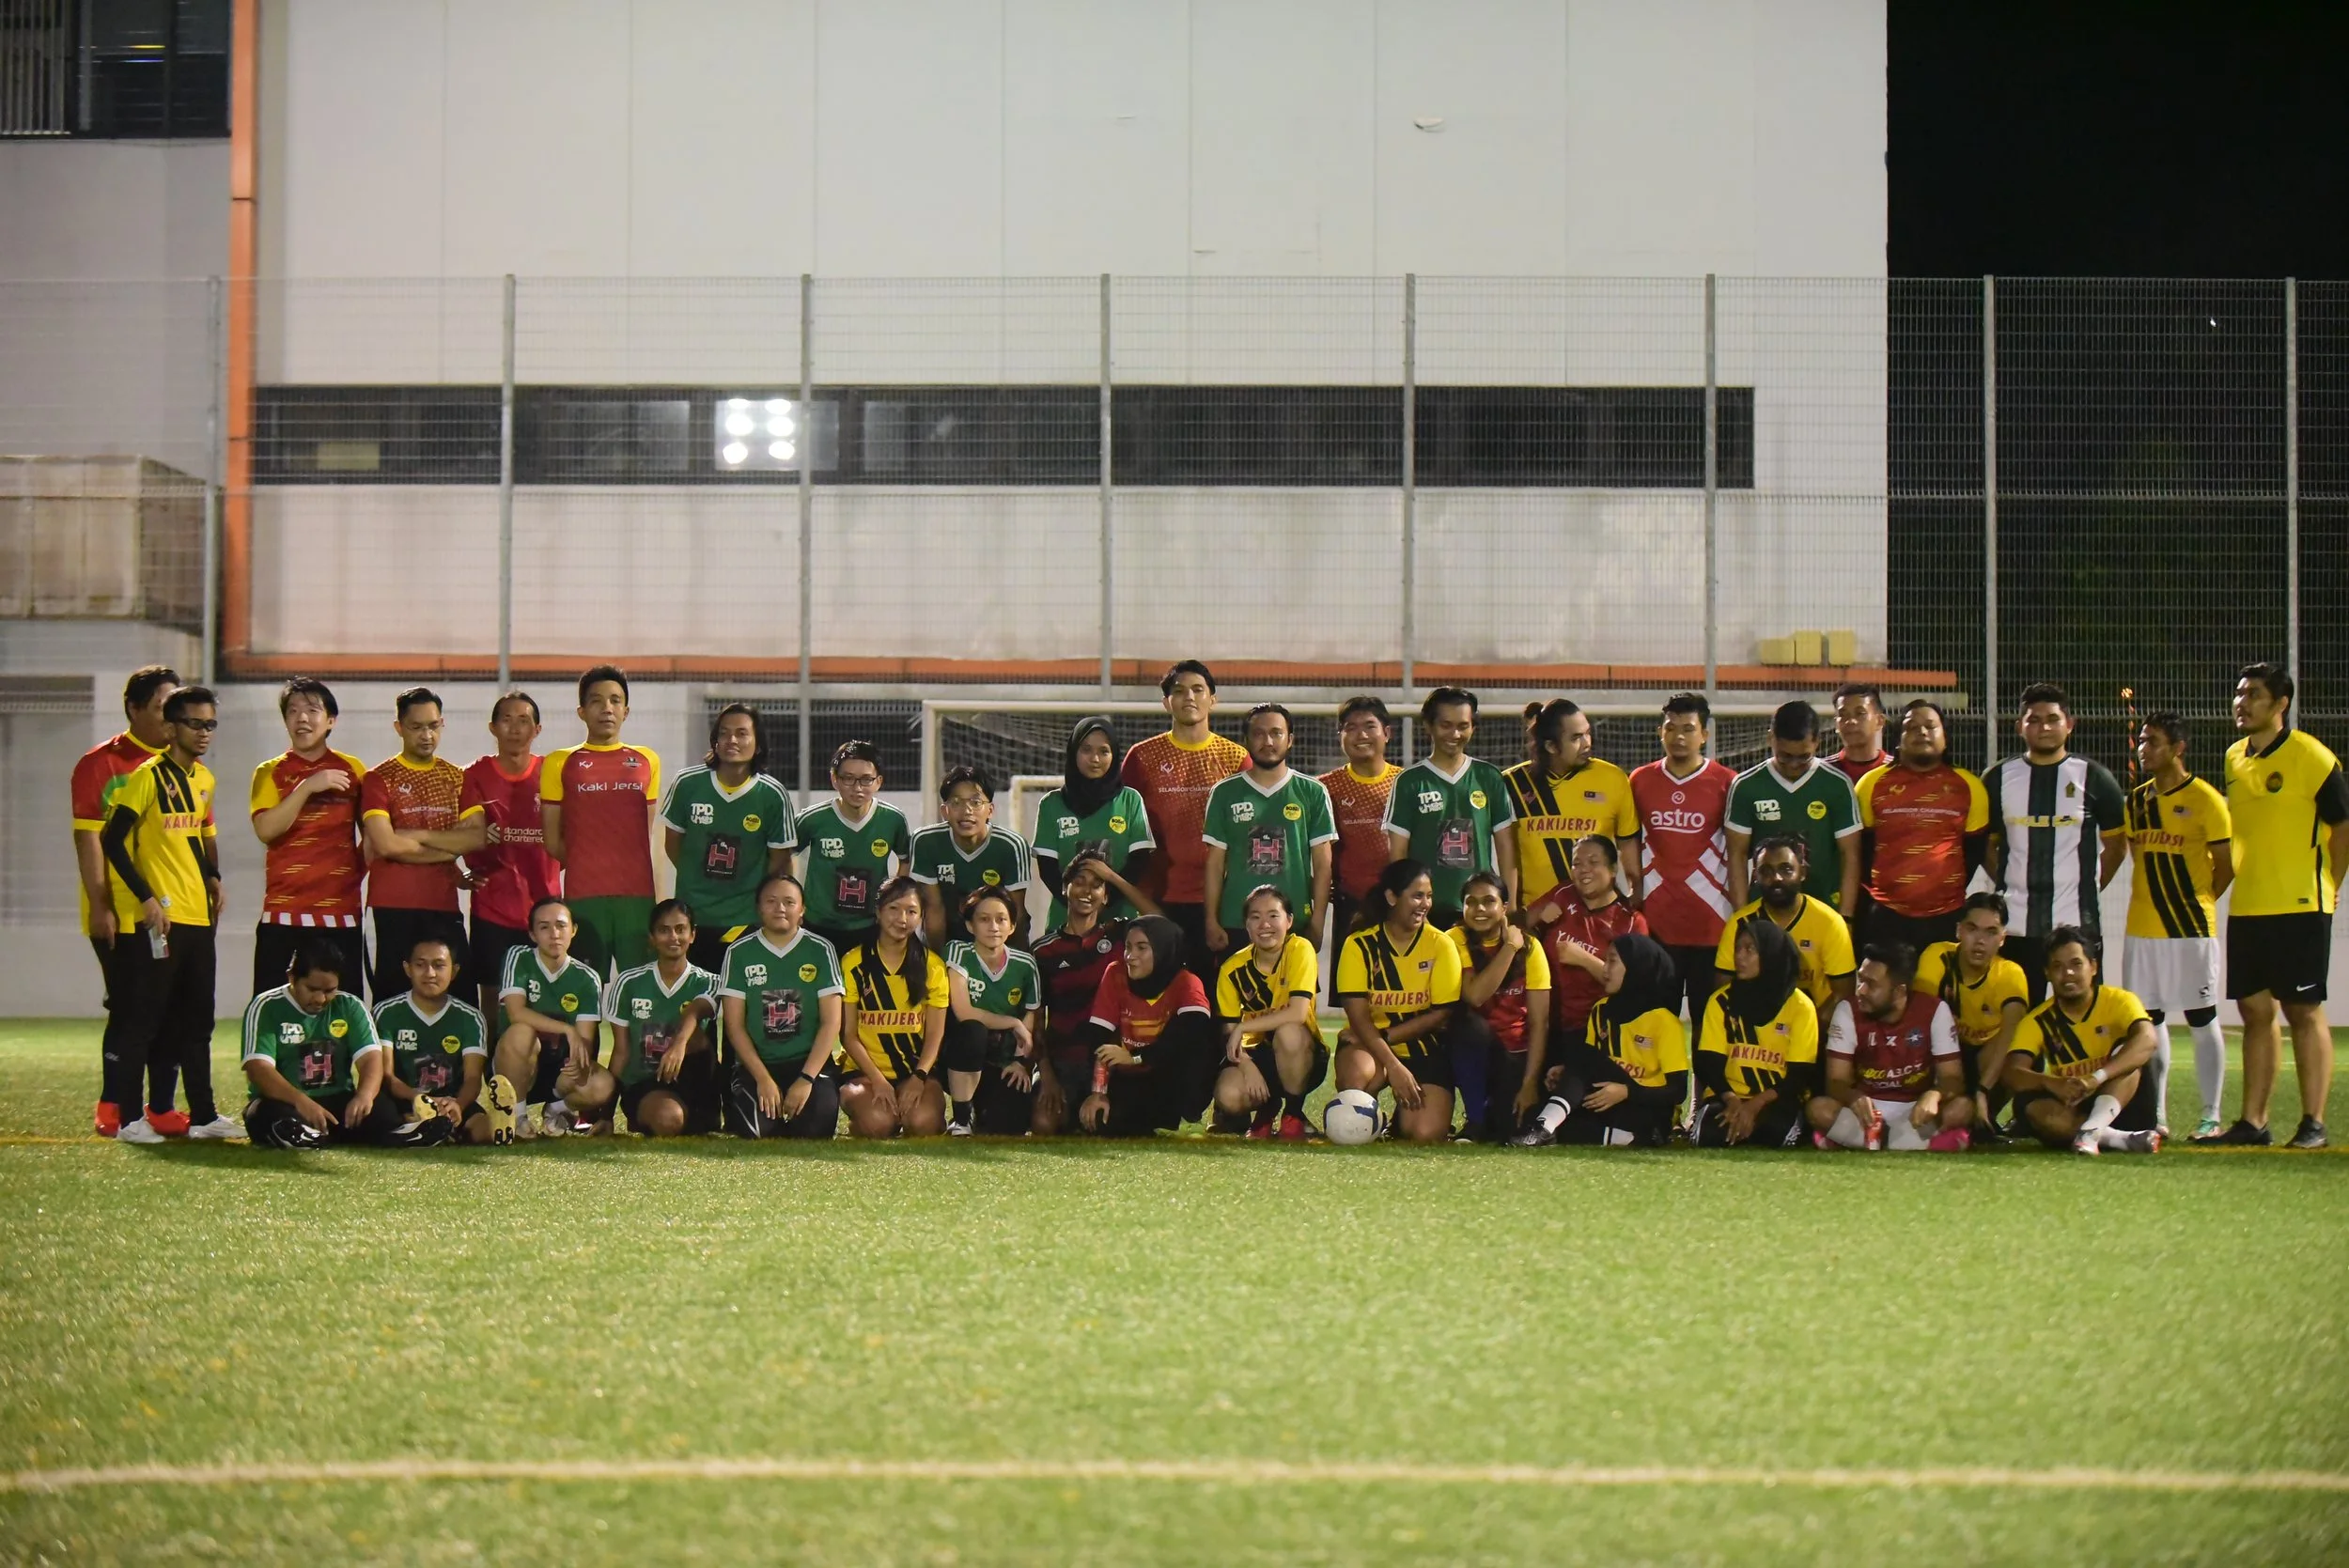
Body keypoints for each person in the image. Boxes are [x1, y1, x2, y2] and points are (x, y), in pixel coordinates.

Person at [2207, 662, 2348, 1148]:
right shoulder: (2233, 757)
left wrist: (2330, 885)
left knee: (2302, 1009)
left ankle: (2313, 1123)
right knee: (2253, 1011)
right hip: (2249, 905)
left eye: (2254, 694)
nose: (2241, 702)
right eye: (2239, 693)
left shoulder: (2313, 756)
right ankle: (2253, 1123)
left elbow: (2343, 828)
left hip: (2300, 903)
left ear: (2281, 703)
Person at [97, 685, 237, 1143]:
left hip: (198, 919)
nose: (204, 733)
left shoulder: (203, 779)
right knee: (144, 1020)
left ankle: (204, 1115)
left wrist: (212, 877)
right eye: (195, 724)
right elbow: (111, 840)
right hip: (162, 921)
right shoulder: (146, 777)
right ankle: (129, 1120)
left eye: (210, 724)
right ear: (171, 728)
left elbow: (193, 837)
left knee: (197, 1021)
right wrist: (146, 898)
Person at [70, 664, 181, 1135]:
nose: (171, 717)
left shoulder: (184, 765)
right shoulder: (101, 763)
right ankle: (113, 1105)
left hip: (172, 909)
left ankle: (162, 1107)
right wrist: (101, 905)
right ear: (133, 709)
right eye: (161, 707)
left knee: (170, 1008)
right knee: (130, 1008)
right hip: (121, 910)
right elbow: (89, 838)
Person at [2118, 712, 2232, 1139]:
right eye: (2142, 741)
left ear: (2178, 748)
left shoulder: (2206, 799)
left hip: (2191, 929)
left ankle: (2210, 1116)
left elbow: (2226, 865)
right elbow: (2138, 856)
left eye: (2153, 741)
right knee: (2149, 1021)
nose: (2143, 749)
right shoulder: (2136, 801)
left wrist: (2197, 902)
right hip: (2143, 929)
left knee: (2202, 1017)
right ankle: (2157, 1114)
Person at [1983, 683, 2127, 1003]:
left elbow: (2117, 847)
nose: (2044, 727)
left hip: (2077, 926)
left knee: (2084, 1015)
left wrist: (2085, 886)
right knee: (2017, 1015)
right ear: (2019, 726)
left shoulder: (2095, 778)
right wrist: (2010, 883)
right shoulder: (1997, 778)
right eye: (2034, 720)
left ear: (2069, 724)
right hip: (2016, 927)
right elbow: (1986, 848)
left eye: (2052, 719)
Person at [241, 941, 452, 1149]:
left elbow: (371, 1059)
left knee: (379, 1105)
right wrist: (301, 1102)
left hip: (338, 1101)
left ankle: (402, 1135)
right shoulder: (266, 1006)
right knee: (263, 1113)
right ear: (291, 977)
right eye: (312, 989)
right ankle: (303, 1134)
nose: (320, 998)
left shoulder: (350, 1006)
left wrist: (364, 1096)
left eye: (329, 990)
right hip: (287, 1101)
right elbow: (258, 1068)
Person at [1120, 660, 1250, 977]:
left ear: (1213, 699)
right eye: (1178, 691)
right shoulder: (1142, 756)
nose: (1189, 697)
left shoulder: (1236, 758)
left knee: (1217, 995)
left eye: (1198, 689)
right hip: (1158, 900)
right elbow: (1123, 824)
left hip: (1222, 902)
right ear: (1166, 702)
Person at [359, 687, 482, 1007]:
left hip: (443, 904)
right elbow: (386, 844)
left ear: (442, 724)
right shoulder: (378, 778)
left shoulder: (457, 777)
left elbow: (475, 837)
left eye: (433, 726)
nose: (427, 735)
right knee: (391, 1001)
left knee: (461, 999)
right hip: (393, 905)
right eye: (416, 727)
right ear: (399, 727)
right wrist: (448, 850)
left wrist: (417, 835)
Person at [541, 665, 662, 984]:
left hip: (637, 897)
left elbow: (644, 831)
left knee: (641, 989)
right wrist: (588, 862)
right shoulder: (559, 762)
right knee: (584, 991)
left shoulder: (647, 760)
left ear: (626, 711)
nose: (607, 708)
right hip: (584, 897)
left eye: (615, 700)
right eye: (596, 701)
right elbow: (552, 841)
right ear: (581, 711)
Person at [248, 675, 367, 997]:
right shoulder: (269, 771)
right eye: (293, 711)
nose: (301, 718)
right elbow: (266, 830)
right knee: (272, 1004)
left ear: (330, 721)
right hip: (283, 911)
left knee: (343, 1006)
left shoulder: (353, 769)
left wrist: (350, 873)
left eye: (312, 710)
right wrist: (307, 787)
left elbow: (372, 837)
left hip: (340, 914)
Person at [1331, 859, 1465, 1144]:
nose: (1425, 904)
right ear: (1392, 897)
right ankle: (1371, 1114)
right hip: (1367, 1044)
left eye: (1429, 896)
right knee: (1357, 1080)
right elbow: (1358, 1018)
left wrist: (1388, 1039)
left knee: (1425, 1133)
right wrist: (1392, 1065)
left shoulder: (1441, 944)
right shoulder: (1358, 945)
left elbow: (1441, 1015)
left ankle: (1397, 1120)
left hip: (1420, 1045)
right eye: (1417, 896)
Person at [1512, 932, 1688, 1147]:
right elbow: (1595, 1066)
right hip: (1609, 1104)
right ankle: (1629, 1139)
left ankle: (1545, 1127)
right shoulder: (1601, 1010)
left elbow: (1678, 1091)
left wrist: (1626, 1092)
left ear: (1637, 967)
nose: (1604, 969)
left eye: (1612, 961)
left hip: (1646, 1107)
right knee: (1532, 1114)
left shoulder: (1663, 1021)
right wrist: (1568, 1073)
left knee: (1581, 1053)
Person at [658, 703, 796, 972]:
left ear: (758, 744)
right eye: (724, 733)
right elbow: (672, 844)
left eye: (742, 733)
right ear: (715, 741)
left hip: (745, 919)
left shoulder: (772, 794)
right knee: (697, 996)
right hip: (693, 917)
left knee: (742, 997)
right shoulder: (687, 784)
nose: (732, 740)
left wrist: (746, 888)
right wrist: (698, 879)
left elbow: (780, 859)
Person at [2004, 926, 2164, 1155]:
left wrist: (2096, 1078)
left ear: (2093, 967)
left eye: (2076, 964)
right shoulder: (2037, 1020)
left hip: (2124, 1105)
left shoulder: (2119, 1000)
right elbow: (2012, 1073)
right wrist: (2051, 1083)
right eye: (2057, 966)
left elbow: (2148, 1039)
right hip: (2073, 1106)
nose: (2068, 973)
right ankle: (2110, 1138)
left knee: (2131, 1056)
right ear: (2047, 973)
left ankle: (2093, 1130)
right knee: (2026, 1104)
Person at [1627, 691, 1736, 1024]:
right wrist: (1634, 893)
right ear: (1660, 732)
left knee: (1710, 1028)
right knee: (1656, 1025)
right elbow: (1628, 841)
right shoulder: (1640, 780)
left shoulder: (1728, 782)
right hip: (1658, 925)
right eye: (1670, 728)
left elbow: (1738, 852)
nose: (1678, 736)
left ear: (1704, 735)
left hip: (1712, 924)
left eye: (1688, 729)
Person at [1201, 704, 1336, 960]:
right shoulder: (1224, 793)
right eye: (1259, 734)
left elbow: (1322, 864)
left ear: (1290, 739)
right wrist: (1211, 919)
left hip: (1294, 923)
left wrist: (1318, 921)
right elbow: (1215, 864)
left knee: (1295, 988)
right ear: (1246, 740)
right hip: (1236, 922)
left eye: (1276, 733)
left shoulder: (1313, 791)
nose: (1268, 741)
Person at [1810, 941, 1972, 1152]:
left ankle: (1862, 1142)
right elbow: (1836, 1081)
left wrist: (1935, 1094)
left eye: (1871, 984)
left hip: (1915, 1111)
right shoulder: (1847, 1010)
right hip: (1866, 1112)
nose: (1860, 990)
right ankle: (1920, 1144)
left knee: (1963, 1108)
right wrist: (1853, 1097)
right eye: (1861, 980)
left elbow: (1953, 1078)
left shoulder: (1934, 1010)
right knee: (1818, 1109)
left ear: (1899, 991)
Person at [716, 873, 845, 1139]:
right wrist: (763, 1079)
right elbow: (734, 1026)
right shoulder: (738, 952)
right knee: (758, 1132)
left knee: (814, 1131)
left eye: (789, 902)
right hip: (759, 1065)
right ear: (759, 908)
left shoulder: (821, 949)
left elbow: (831, 1022)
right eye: (771, 901)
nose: (780, 908)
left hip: (808, 1064)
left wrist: (806, 1079)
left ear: (802, 909)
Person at [1854, 699, 1988, 953]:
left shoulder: (1970, 786)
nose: (1921, 732)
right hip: (1886, 917)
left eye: (1930, 726)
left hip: (1946, 917)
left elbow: (1973, 851)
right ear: (1898, 739)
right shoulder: (1870, 784)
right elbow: (1862, 850)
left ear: (1945, 738)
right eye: (1911, 727)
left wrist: (1937, 889)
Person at [459, 691, 561, 1022]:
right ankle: (489, 1052)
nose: (515, 728)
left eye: (524, 721)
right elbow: (457, 833)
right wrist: (460, 864)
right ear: (492, 727)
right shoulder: (473, 775)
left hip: (543, 906)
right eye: (506, 720)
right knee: (492, 995)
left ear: (538, 729)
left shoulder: (552, 773)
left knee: (544, 993)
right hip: (493, 906)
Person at [1382, 688, 1517, 929]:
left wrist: (1511, 907)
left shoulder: (1488, 777)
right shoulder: (1409, 782)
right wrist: (1407, 909)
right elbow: (1398, 855)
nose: (1455, 734)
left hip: (1479, 911)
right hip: (1428, 912)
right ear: (1428, 726)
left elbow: (1506, 848)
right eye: (1446, 725)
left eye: (1463, 726)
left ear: (1473, 727)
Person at [1079, 915, 1217, 1137]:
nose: (1130, 956)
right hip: (1130, 1077)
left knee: (1198, 1048)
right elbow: (1098, 1037)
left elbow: (1192, 1036)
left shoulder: (1186, 982)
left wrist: (1135, 1057)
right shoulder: (1115, 973)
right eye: (1128, 947)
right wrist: (1097, 1093)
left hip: (1170, 1076)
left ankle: (1188, 1116)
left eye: (1141, 948)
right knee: (1100, 1121)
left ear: (1163, 950)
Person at [836, 877, 952, 1140]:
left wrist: (919, 1077)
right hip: (865, 1073)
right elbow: (848, 1035)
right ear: (878, 912)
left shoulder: (932, 966)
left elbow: (935, 1034)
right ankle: (863, 1122)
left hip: (915, 1071)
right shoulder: (853, 963)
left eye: (911, 911)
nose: (902, 919)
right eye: (894, 909)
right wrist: (878, 1080)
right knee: (878, 1125)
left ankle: (927, 1113)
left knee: (922, 1124)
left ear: (921, 917)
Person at [490, 897, 613, 1141]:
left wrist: (577, 1066)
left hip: (558, 1068)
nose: (554, 934)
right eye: (544, 927)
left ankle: (556, 1110)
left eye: (561, 925)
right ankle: (517, 1116)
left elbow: (584, 1040)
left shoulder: (587, 978)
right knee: (522, 1032)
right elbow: (516, 1012)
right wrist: (567, 1029)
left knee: (604, 1085)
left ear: (573, 930)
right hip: (517, 1063)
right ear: (532, 934)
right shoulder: (519, 957)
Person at [1209, 884, 1325, 1141]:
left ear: (1289, 921)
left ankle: (1293, 1114)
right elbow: (1229, 1032)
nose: (1265, 925)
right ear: (1246, 925)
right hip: (1255, 1054)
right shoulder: (1231, 968)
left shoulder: (1300, 949)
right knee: (1228, 1095)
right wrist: (1246, 1064)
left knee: (1288, 1032)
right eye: (1255, 917)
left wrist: (1244, 1026)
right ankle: (1267, 1110)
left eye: (1273, 915)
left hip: (1303, 1053)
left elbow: (1297, 1013)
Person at [1690, 917, 1818, 1148]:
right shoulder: (1721, 1001)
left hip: (1775, 1099)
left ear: (1771, 955)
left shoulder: (1800, 1007)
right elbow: (1709, 1062)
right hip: (1728, 1097)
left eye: (1750, 950)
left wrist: (1755, 1104)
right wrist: (1732, 1100)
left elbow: (1799, 1075)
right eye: (1738, 948)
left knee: (1778, 1133)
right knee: (1706, 1135)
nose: (1740, 956)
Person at [1505, 699, 1641, 913]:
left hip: (1596, 917)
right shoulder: (1512, 784)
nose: (1587, 743)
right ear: (1551, 746)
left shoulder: (1613, 778)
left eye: (1588, 733)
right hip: (1535, 917)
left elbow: (1629, 850)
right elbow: (1504, 855)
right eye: (1576, 737)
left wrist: (1635, 895)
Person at [1724, 700, 1859, 914]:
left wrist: (1846, 917)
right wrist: (1742, 916)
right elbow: (1736, 856)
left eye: (1803, 757)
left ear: (1817, 742)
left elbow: (1850, 855)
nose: (1794, 765)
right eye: (1785, 756)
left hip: (1823, 911)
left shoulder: (1837, 785)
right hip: (1765, 913)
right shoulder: (1746, 786)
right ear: (1771, 738)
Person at [1914, 892, 2030, 1136]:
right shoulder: (1938, 956)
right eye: (1972, 929)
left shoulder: (2010, 974)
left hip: (1987, 1063)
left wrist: (1982, 1090)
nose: (1980, 941)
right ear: (1959, 931)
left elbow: (2011, 1034)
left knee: (2015, 1049)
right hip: (1944, 1057)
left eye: (1991, 932)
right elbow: (1920, 1018)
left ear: (2002, 938)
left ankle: (1985, 1114)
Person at [605, 898, 723, 1138]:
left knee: (697, 1036)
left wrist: (678, 1045)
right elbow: (621, 1052)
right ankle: (650, 1113)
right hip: (645, 1084)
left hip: (692, 1081)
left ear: (692, 935)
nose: (673, 937)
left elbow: (697, 1010)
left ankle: (698, 1113)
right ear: (652, 937)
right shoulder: (628, 982)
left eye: (680, 929)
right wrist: (606, 1115)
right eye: (664, 930)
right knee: (669, 1119)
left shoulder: (710, 981)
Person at [1031, 853, 1130, 1135]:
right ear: (1065, 888)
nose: (1087, 891)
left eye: (1097, 885)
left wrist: (1114, 878)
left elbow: (1163, 925)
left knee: (1107, 1126)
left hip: (1108, 1060)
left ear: (1106, 896)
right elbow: (1036, 1022)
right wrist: (1047, 1075)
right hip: (1061, 1062)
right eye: (1080, 881)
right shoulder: (1043, 950)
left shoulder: (1120, 937)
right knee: (1044, 1125)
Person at [1450, 872, 1551, 1142]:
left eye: (1489, 901)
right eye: (1471, 902)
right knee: (1470, 1026)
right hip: (1467, 1048)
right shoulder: (1454, 939)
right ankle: (1474, 1120)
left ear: (1504, 907)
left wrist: (1529, 1084)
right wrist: (1509, 947)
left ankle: (1491, 1111)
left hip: (1514, 1052)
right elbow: (1475, 996)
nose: (1479, 909)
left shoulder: (1531, 947)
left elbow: (1539, 1022)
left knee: (1509, 1129)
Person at [1029, 717, 1157, 929]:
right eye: (1086, 750)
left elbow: (1139, 862)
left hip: (1119, 923)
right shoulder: (1051, 804)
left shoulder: (1130, 800)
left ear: (1114, 755)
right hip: (1066, 923)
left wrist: (1102, 903)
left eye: (1104, 751)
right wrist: (1079, 907)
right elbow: (1048, 869)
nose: (1095, 758)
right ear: (1073, 752)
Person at [372, 934, 500, 1144]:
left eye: (439, 965)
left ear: (454, 971)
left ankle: (445, 1129)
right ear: (407, 969)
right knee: (381, 1119)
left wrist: (458, 1104)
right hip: (406, 1101)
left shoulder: (471, 1017)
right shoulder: (385, 1012)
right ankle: (423, 1129)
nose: (430, 973)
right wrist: (418, 1098)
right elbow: (387, 1075)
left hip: (451, 1101)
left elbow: (472, 1079)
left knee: (486, 1132)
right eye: (420, 965)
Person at [1714, 837, 1857, 1017]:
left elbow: (1843, 994)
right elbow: (1723, 990)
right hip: (1755, 1025)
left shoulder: (1830, 922)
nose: (1776, 878)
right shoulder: (1741, 923)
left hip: (1816, 1024)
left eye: (1786, 869)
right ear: (1756, 876)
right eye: (1766, 871)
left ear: (1802, 872)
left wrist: (1807, 1026)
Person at [796, 739, 913, 957]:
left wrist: (891, 903)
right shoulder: (813, 819)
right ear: (834, 779)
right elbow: (783, 853)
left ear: (879, 781)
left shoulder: (893, 820)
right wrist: (795, 903)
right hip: (817, 925)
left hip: (869, 926)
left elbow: (905, 860)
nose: (857, 788)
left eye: (866, 779)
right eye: (848, 778)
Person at [943, 888, 1046, 1135]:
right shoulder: (957, 951)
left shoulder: (1025, 964)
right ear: (970, 926)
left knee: (1009, 1126)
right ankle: (961, 1118)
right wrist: (1012, 1022)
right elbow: (964, 1012)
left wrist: (1020, 1062)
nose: (994, 927)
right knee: (973, 1030)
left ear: (1012, 926)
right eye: (984, 919)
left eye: (1001, 919)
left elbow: (1030, 1017)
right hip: (961, 1056)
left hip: (1003, 1060)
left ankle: (983, 1109)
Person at [1532, 835, 1649, 1048]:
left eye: (1593, 862)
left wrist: (1584, 959)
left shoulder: (1631, 923)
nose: (1583, 869)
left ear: (1613, 870)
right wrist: (1539, 919)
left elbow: (1635, 988)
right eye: (1577, 863)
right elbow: (1520, 928)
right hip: (1543, 1022)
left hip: (1595, 1030)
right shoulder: (1563, 893)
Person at [910, 764, 1032, 949]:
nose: (967, 811)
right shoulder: (925, 841)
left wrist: (1013, 961)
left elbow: (1017, 914)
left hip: (996, 944)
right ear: (944, 811)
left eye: (975, 802)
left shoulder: (1011, 846)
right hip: (948, 942)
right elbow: (934, 909)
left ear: (990, 810)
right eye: (956, 802)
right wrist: (938, 961)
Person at [1317, 695, 1402, 954]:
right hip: (1350, 903)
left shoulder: (1405, 782)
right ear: (1340, 736)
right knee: (1348, 975)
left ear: (1387, 733)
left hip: (1398, 903)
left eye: (1369, 726)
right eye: (1350, 728)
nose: (1361, 735)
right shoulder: (1324, 787)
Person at [1830, 681, 1890, 787]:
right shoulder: (1822, 771)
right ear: (1836, 724)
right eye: (1843, 715)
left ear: (1880, 721)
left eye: (1860, 713)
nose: (1850, 721)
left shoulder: (1896, 770)